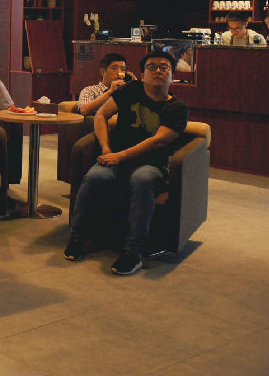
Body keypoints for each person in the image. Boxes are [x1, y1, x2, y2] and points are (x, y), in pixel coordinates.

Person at [64, 51, 189, 276]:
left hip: (152, 164)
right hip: (115, 158)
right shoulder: (130, 90)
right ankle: (78, 237)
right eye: (152, 67)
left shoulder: (178, 108)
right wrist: (105, 148)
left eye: (164, 67)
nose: (158, 71)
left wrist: (119, 156)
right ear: (142, 74)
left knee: (141, 179)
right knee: (95, 176)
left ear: (172, 76)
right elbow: (101, 115)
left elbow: (158, 141)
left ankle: (133, 251)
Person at [76, 53, 135, 117]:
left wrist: (135, 87)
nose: (119, 73)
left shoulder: (126, 91)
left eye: (123, 69)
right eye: (114, 68)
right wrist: (110, 92)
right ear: (103, 72)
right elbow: (83, 110)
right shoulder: (90, 90)